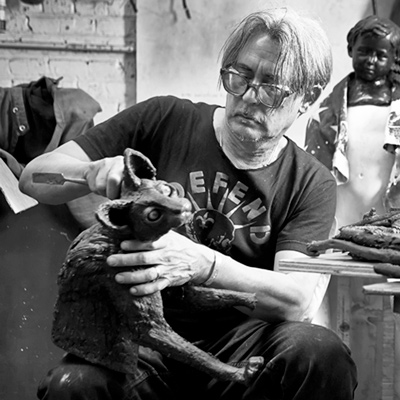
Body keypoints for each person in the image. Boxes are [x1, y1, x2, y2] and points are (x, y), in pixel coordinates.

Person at [19, 8, 357, 400]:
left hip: (243, 343)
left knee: (320, 355)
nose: (248, 97)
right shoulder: (165, 117)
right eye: (239, 76)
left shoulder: (310, 181)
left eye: (271, 88)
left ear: (307, 97)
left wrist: (201, 264)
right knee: (73, 387)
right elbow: (34, 177)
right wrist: (89, 171)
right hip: (142, 338)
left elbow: (295, 301)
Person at [305, 15, 400, 228]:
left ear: (395, 58)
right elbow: (313, 161)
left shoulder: (397, 107)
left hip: (390, 206)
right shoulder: (327, 111)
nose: (370, 60)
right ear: (350, 50)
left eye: (380, 55)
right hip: (343, 203)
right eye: (364, 51)